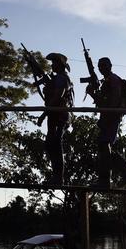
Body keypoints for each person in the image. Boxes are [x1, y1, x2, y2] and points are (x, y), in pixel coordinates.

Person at [86, 57, 126, 189]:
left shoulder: (113, 80)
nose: (101, 68)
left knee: (104, 145)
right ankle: (123, 173)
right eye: (99, 66)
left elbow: (113, 101)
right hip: (108, 116)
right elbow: (103, 102)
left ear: (110, 65)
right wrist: (93, 95)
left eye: (104, 65)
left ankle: (107, 179)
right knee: (104, 147)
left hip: (111, 117)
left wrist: (108, 116)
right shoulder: (107, 81)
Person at [42, 53, 74, 185]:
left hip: (59, 114)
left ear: (60, 65)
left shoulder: (61, 78)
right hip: (55, 114)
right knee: (51, 143)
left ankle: (58, 178)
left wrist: (44, 113)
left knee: (55, 143)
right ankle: (56, 176)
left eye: (54, 63)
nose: (52, 65)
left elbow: (58, 96)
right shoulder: (57, 78)